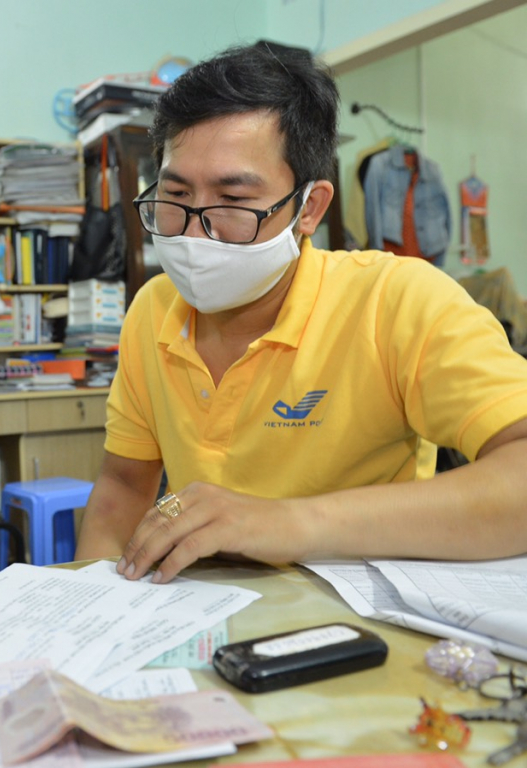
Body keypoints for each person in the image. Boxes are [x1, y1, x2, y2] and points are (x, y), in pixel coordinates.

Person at [75, 42, 527, 584]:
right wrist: (93, 605)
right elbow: (124, 485)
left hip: (364, 618)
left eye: (232, 202)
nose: (194, 235)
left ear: (309, 208)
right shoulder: (154, 308)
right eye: (175, 196)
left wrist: (288, 523)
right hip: (205, 613)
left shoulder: (394, 299)